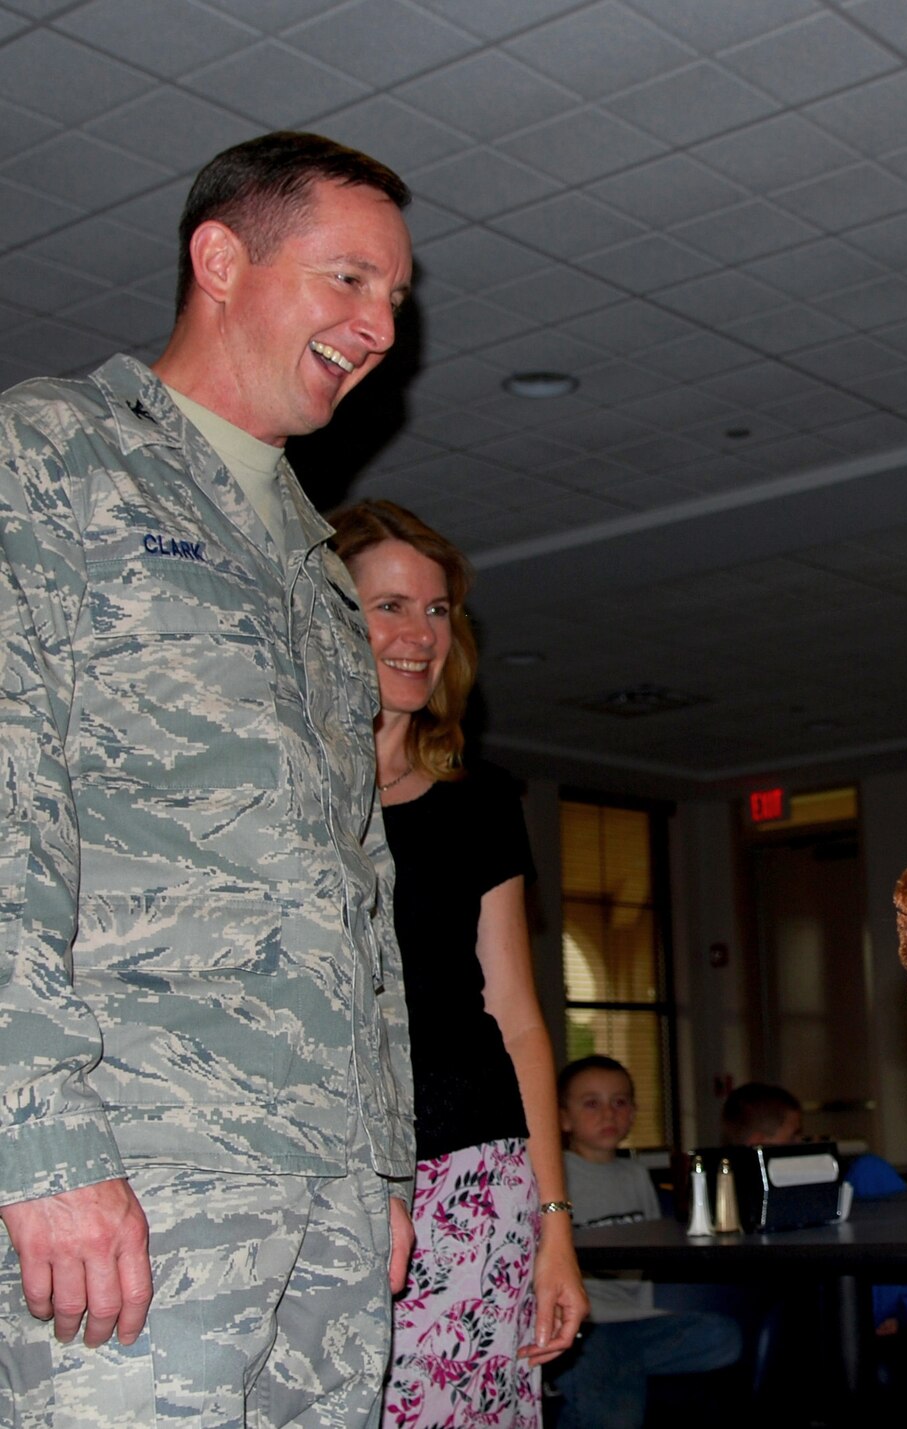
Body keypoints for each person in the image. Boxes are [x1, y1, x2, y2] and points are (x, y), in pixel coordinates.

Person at [0, 132, 416, 1425]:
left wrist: (385, 1169)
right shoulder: (54, 453)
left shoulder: (320, 568)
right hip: (140, 1163)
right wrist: (40, 1135)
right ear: (220, 258)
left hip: (329, 1197)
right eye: (350, 280)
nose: (380, 325)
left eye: (397, 300)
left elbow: (360, 883)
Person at [327, 500, 586, 1425]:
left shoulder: (481, 805)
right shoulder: (278, 795)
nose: (418, 634)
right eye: (388, 605)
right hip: (324, 1180)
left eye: (437, 611)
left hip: (474, 1179)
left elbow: (517, 1017)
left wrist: (556, 1227)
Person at [552, 1056, 742, 1429]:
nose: (609, 1113)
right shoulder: (556, 1175)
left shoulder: (637, 1175)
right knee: (614, 1408)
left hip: (638, 1322)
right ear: (563, 1118)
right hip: (586, 1323)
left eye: (620, 1102)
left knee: (724, 1336)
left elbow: (651, 1254)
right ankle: (589, 1368)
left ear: (634, 1113)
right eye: (592, 1103)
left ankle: (603, 1369)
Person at [721, 1083, 907, 1345]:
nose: (800, 1143)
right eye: (793, 1136)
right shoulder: (749, 1200)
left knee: (867, 1177)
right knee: (870, 1171)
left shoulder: (729, 1192)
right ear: (758, 1145)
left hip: (844, 1290)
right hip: (815, 1303)